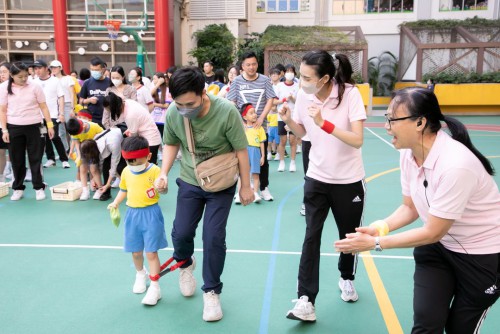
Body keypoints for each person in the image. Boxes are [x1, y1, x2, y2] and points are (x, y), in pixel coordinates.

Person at [335, 87, 500, 333]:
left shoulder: (456, 165)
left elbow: (433, 231)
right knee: (426, 324)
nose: (387, 126)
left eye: (392, 119)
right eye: (386, 118)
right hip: (437, 252)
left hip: (481, 258)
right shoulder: (409, 153)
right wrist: (379, 228)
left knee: (460, 329)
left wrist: (376, 244)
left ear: (420, 122)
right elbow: (410, 207)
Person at [154, 66, 253, 321]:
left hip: (221, 183)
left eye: (190, 103)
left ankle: (211, 292)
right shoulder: (176, 113)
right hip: (189, 178)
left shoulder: (226, 111)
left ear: (203, 93)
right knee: (181, 232)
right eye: (179, 103)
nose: (185, 108)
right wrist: (163, 173)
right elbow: (172, 143)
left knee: (213, 237)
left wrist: (245, 186)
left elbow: (242, 150)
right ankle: (185, 264)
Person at [279, 50, 367, 322]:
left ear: (325, 78)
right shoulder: (304, 96)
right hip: (316, 177)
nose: (300, 81)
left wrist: (324, 123)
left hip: (348, 180)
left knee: (348, 236)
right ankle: (306, 299)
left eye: (306, 77)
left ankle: (346, 277)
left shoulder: (350, 94)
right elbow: (305, 134)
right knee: (311, 235)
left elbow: (357, 140)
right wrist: (289, 121)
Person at [107, 135, 168, 306]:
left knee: (151, 252)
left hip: (151, 214)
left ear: (148, 156)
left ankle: (155, 286)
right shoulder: (127, 171)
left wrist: (162, 187)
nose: (133, 165)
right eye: (129, 162)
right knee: (135, 252)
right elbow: (123, 189)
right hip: (132, 215)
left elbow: (164, 191)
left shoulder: (155, 170)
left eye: (136, 162)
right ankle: (141, 274)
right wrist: (116, 202)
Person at [0, 61, 55, 201]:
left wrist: (49, 125)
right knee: (16, 159)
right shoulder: (4, 88)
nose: (24, 79)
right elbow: (3, 110)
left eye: (26, 76)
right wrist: (4, 130)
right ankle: (17, 188)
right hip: (14, 127)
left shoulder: (35, 86)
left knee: (35, 158)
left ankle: (38, 187)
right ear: (12, 75)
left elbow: (43, 107)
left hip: (35, 126)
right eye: (20, 77)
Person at [227, 51, 277, 201]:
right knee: (239, 158)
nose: (251, 67)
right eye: (248, 64)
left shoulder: (265, 80)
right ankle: (241, 189)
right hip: (241, 128)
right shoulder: (236, 82)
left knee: (262, 158)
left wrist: (262, 117)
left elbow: (270, 99)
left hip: (260, 127)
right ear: (242, 66)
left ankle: (263, 187)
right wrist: (241, 122)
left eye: (254, 64)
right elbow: (231, 102)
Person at [102, 92, 162, 165]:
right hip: (148, 133)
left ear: (114, 107)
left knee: (149, 165)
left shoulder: (130, 115)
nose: (109, 112)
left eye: (109, 110)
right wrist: (130, 129)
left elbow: (134, 135)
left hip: (151, 139)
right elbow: (138, 121)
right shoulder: (127, 102)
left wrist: (131, 132)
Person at [32, 59, 70, 169]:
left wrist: (61, 113)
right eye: (35, 69)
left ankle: (64, 159)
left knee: (54, 136)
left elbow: (61, 97)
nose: (37, 70)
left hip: (53, 115)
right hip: (39, 117)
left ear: (45, 69)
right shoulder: (34, 82)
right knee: (44, 136)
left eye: (39, 68)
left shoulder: (55, 81)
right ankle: (51, 158)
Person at [66, 117, 104, 200]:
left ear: (83, 126)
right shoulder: (74, 131)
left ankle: (100, 189)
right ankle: (85, 190)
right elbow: (76, 143)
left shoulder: (95, 127)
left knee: (94, 170)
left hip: (94, 150)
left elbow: (103, 138)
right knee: (82, 169)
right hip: (82, 149)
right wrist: (79, 156)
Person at [238, 103, 266, 203]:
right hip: (245, 151)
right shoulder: (242, 128)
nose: (254, 114)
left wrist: (263, 156)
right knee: (242, 174)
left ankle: (255, 193)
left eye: (254, 112)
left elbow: (262, 143)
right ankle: (239, 194)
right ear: (245, 117)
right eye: (251, 113)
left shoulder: (259, 128)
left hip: (255, 151)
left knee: (255, 174)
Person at [275, 64, 299, 172]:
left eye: (292, 71)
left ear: (294, 73)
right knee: (283, 140)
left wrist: (292, 98)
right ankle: (281, 162)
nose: (290, 73)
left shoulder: (297, 86)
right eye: (288, 71)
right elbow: (274, 101)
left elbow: (299, 102)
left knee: (293, 140)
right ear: (284, 73)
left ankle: (293, 162)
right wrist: (283, 100)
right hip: (282, 116)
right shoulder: (279, 86)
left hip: (294, 116)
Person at [49, 59, 75, 152]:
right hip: (56, 107)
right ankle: (64, 150)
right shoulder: (51, 80)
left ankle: (74, 150)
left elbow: (72, 93)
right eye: (52, 67)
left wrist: (72, 108)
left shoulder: (68, 78)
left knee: (71, 129)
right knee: (60, 132)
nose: (53, 69)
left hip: (67, 105)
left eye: (55, 67)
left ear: (60, 68)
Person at [79, 57, 111, 126]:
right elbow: (81, 101)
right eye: (92, 70)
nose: (94, 72)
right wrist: (89, 100)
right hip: (92, 118)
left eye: (96, 70)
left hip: (108, 118)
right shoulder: (87, 83)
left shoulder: (109, 82)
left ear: (102, 69)